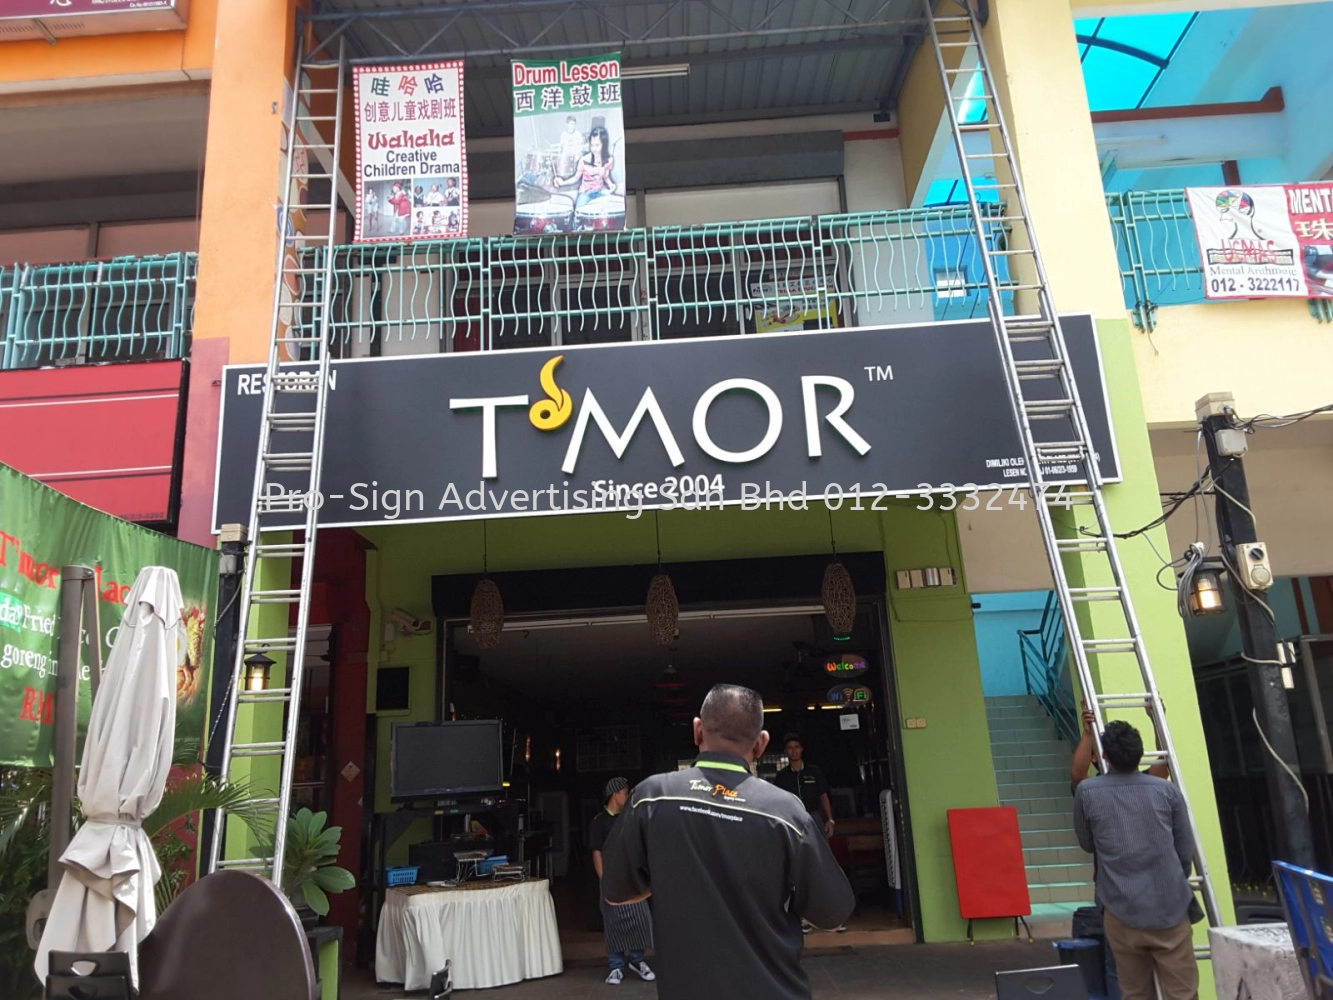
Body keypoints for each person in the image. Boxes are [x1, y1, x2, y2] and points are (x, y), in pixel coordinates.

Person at [601, 685, 854, 1000]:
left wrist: (667, 873)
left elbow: (615, 891)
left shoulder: (651, 798)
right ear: (761, 744)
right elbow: (832, 916)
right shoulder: (785, 812)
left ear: (697, 730)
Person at [1074, 721, 1199, 1000]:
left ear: (1104, 756)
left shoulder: (1088, 792)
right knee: (1183, 992)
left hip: (1120, 907)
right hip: (1169, 906)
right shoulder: (1166, 791)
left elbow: (1086, 842)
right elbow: (1183, 850)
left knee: (1133, 992)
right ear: (1140, 753)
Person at [586, 777, 655, 986]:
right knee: (614, 923)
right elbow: (596, 851)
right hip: (611, 879)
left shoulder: (631, 817)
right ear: (615, 794)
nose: (627, 796)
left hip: (632, 877)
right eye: (625, 792)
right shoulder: (599, 821)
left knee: (640, 919)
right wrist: (603, 878)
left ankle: (637, 960)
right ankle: (616, 966)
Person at [559, 124, 617, 213]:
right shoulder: (584, 160)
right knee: (578, 213)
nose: (594, 149)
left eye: (597, 145)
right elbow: (575, 178)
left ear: (604, 144)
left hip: (601, 192)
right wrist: (562, 183)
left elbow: (606, 177)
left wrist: (611, 185)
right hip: (585, 193)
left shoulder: (609, 160)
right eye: (592, 145)